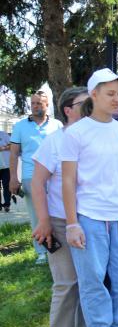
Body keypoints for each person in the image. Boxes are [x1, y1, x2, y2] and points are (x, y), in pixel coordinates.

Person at [61, 68, 118, 327]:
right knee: (93, 278)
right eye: (110, 94)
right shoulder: (76, 132)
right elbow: (67, 180)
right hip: (90, 216)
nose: (117, 99)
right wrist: (72, 223)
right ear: (93, 95)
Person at [31, 87, 90, 327]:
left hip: (88, 219)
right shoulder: (54, 141)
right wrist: (43, 221)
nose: (91, 106)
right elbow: (37, 183)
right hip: (58, 220)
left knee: (88, 279)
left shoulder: (92, 137)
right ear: (68, 110)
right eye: (84, 103)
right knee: (67, 280)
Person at [9, 91, 63, 262]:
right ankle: (42, 252)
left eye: (39, 103)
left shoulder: (57, 125)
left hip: (55, 177)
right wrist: (13, 178)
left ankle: (58, 248)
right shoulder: (20, 126)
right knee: (37, 215)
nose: (35, 106)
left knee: (56, 213)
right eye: (33, 103)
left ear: (47, 105)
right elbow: (14, 153)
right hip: (30, 176)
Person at [0, 128, 10, 212]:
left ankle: (7, 204)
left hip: (6, 166)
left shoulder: (3, 134)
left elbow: (12, 145)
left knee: (6, 186)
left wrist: (3, 148)